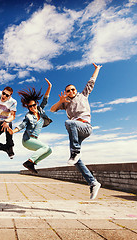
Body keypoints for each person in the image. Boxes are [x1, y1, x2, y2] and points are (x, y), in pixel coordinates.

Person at [50, 63, 102, 200]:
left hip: (85, 127)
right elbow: (52, 110)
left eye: (73, 89)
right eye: (68, 91)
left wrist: (97, 69)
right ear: (66, 93)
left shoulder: (83, 95)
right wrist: (60, 101)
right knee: (75, 161)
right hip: (75, 132)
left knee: (69, 122)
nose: (71, 92)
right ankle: (93, 182)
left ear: (76, 90)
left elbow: (91, 82)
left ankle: (75, 151)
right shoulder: (65, 103)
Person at [7, 78, 53, 173]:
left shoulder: (40, 111)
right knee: (45, 147)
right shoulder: (28, 116)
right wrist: (13, 131)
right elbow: (22, 125)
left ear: (36, 104)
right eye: (30, 106)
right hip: (27, 140)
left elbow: (45, 99)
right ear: (28, 107)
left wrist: (49, 87)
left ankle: (32, 163)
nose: (32, 108)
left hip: (35, 140)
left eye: (33, 105)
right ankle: (29, 162)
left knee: (49, 150)